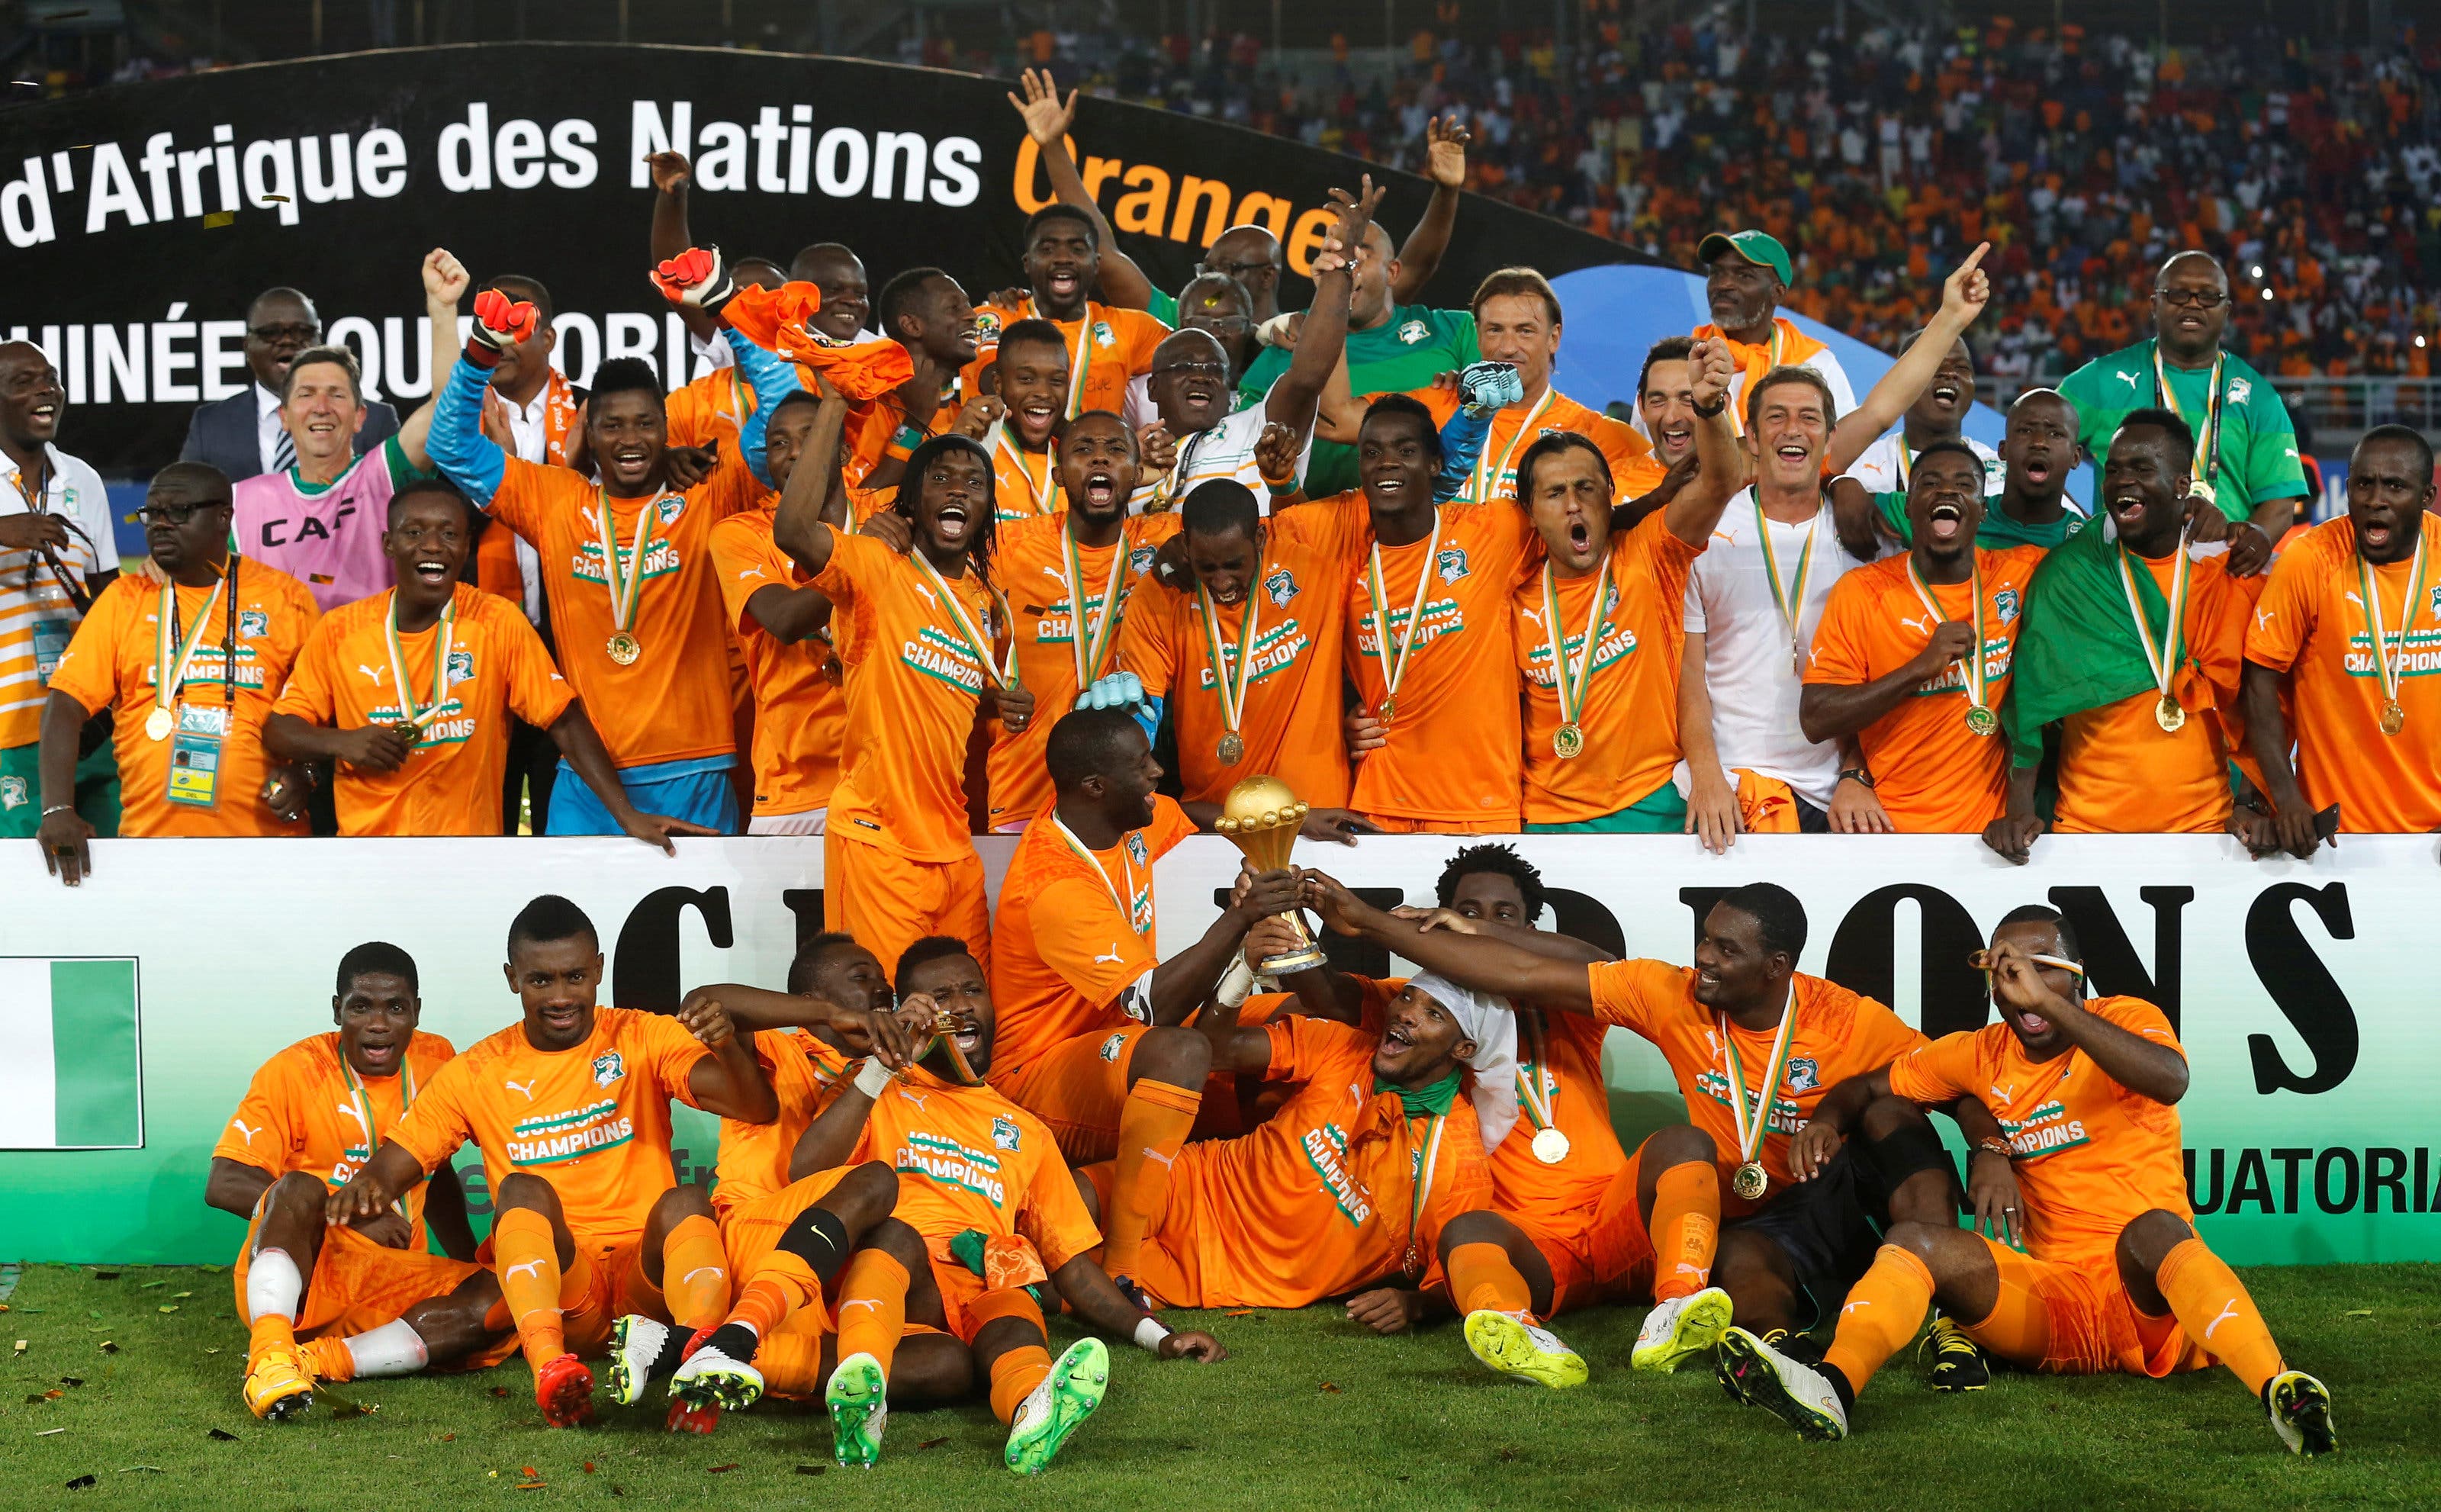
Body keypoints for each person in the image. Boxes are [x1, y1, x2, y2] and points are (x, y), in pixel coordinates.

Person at [1720, 909, 2335, 1457]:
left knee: (2154, 1228)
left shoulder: (2125, 1018)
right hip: (2056, 1305)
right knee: (1913, 1241)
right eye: (2007, 975)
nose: (2022, 990)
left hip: (2151, 1295)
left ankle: (2280, 1388)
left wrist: (2053, 1002)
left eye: (2040, 970)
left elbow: (2170, 1079)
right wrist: (1830, 1123)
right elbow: (1869, 1088)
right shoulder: (1980, 1052)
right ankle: (1832, 1387)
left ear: (2077, 975)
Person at [1305, 876, 1995, 1363]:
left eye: (1727, 950)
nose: (1704, 958)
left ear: (1775, 968)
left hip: (1832, 1187)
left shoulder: (1846, 1018)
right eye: (1706, 940)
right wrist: (1369, 923)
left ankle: (1947, 1320)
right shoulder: (1673, 994)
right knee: (1745, 1278)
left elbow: (1957, 1074)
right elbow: (1517, 971)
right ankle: (1781, 1357)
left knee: (1896, 1115)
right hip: (1755, 1219)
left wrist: (1989, 1147)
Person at [719, 938, 1224, 1472]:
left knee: (994, 1323)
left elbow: (1072, 1267)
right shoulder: (871, 1083)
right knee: (899, 1237)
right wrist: (884, 1066)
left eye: (972, 990)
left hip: (967, 1293)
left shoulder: (1026, 1131)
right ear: (912, 1013)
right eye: (941, 995)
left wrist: (1156, 1336)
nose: (961, 1004)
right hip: (891, 1280)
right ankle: (745, 1347)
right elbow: (810, 1172)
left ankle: (1033, 1409)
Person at [325, 894, 778, 1427]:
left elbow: (757, 1108)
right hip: (565, 1289)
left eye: (575, 978)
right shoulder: (477, 1071)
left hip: (648, 1282)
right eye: (541, 981)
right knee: (521, 1190)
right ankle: (552, 1370)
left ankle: (697, 1369)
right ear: (513, 977)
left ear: (599, 971)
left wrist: (728, 1049)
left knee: (685, 1201)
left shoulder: (641, 1035)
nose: (561, 996)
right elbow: (399, 1160)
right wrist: (369, 1184)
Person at [1337, 848, 1736, 1384]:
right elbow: (1338, 1001)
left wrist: (1475, 933)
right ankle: (1518, 1331)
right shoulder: (1423, 1007)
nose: (1482, 923)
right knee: (1467, 1230)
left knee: (1683, 1143)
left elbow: (1599, 960)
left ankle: (1677, 1306)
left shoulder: (1568, 1003)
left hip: (1613, 1218)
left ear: (1527, 928)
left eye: (1504, 915)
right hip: (1532, 1250)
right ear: (1436, 921)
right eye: (1467, 910)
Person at [425, 252, 774, 835]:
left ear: (668, 429)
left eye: (645, 424)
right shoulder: (556, 499)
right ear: (591, 431)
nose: (630, 439)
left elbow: (778, 422)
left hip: (696, 767)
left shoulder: (707, 495)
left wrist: (726, 311)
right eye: (612, 425)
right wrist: (481, 351)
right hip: (587, 780)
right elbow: (450, 446)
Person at [1677, 245, 1992, 850]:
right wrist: (1708, 775)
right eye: (1774, 418)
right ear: (1751, 434)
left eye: (1808, 418)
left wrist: (1950, 318)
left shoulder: (1861, 536)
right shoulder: (1711, 531)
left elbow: (1881, 406)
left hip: (1835, 790)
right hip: (1733, 790)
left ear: (1830, 440)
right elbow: (1689, 673)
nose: (1792, 429)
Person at [989, 706, 1304, 1288]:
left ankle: (1274, 1211)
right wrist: (1239, 918)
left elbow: (1191, 814)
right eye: (1143, 766)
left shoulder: (1127, 817)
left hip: (1113, 1045)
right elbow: (1153, 1006)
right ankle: (1125, 1269)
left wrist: (1275, 839)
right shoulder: (1053, 884)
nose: (1159, 773)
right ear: (1095, 786)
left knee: (1292, 1020)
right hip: (1036, 1074)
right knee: (1179, 1051)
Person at [263, 478, 703, 845]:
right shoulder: (341, 630)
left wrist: (628, 816)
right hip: (368, 855)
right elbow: (280, 729)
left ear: (467, 546)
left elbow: (563, 720)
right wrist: (341, 743)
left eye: (449, 534)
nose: (432, 546)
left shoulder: (496, 621)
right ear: (388, 544)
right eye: (414, 533)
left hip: (471, 857)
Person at [771, 378, 1031, 971]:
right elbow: (792, 532)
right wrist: (834, 405)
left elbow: (943, 692)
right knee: (887, 1017)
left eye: (974, 482)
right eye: (939, 479)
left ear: (989, 506)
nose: (958, 489)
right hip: (877, 837)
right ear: (911, 502)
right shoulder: (874, 567)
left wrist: (996, 705)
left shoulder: (987, 602)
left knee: (963, 1012)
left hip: (953, 847)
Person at [204, 941, 504, 1420]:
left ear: (417, 1013)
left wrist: (467, 1262)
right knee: (299, 1187)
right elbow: (224, 1181)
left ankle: (322, 1362)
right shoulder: (295, 1071)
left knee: (505, 1293)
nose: (379, 1024)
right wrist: (341, 1220)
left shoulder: (439, 1061)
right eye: (361, 1006)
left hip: (389, 1279)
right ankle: (270, 1353)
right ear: (337, 1011)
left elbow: (440, 1171)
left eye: (396, 1008)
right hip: (303, 1277)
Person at [1003, 67, 1465, 333]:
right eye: (1208, 268)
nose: (1213, 279)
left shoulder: (1310, 329)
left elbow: (1412, 268)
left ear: (1268, 275)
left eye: (1229, 269)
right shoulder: (1178, 318)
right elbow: (1102, 253)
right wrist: (1053, 148)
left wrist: (1446, 193)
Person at [1986, 410, 2255, 861]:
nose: (2123, 481)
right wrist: (2019, 810)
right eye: (2113, 470)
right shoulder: (2069, 573)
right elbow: (2030, 701)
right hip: (2087, 832)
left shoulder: (2222, 569)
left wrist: (2252, 801)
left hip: (2208, 831)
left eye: (2143, 469)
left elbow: (2260, 697)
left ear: (2182, 485)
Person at [37, 463, 320, 881]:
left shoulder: (286, 598)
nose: (161, 525)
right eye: (153, 513)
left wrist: (306, 774)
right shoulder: (124, 600)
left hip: (270, 849)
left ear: (224, 516)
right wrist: (58, 808)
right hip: (151, 852)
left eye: (180, 511)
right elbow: (64, 706)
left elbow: (327, 713)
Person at [1513, 333, 1739, 833]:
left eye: (1587, 489)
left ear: (1610, 498)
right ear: (1530, 513)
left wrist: (1710, 407)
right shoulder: (1512, 598)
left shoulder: (1650, 556)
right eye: (1555, 493)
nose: (1574, 505)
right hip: (1547, 820)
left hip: (1653, 805)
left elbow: (1721, 481)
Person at [1800, 442, 2047, 833]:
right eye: (1930, 483)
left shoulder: (2021, 572)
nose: (1948, 492)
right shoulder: (1863, 591)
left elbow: (2105, 545)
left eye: (1965, 485)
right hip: (1887, 829)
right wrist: (1919, 669)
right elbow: (1815, 718)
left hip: (1990, 834)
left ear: (1982, 511)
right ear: (1909, 506)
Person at [1111, 478, 1375, 835]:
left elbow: (1403, 486)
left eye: (1235, 565)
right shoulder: (1160, 596)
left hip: (1323, 821)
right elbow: (1142, 716)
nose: (1222, 581)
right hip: (1216, 831)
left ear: (1261, 539)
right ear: (1185, 547)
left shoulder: (1314, 558)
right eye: (1207, 568)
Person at [1336, 393, 1539, 833]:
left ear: (1434, 464)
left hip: (1478, 804)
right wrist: (1344, 714)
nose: (1387, 462)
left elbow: (1587, 531)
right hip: (1377, 804)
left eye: (1406, 451)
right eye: (1372, 453)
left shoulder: (1494, 530)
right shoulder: (1344, 555)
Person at [2241, 426, 2441, 848]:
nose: (2375, 500)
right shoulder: (2311, 559)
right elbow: (2260, 677)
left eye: (2395, 486)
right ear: (2347, 488)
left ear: (2427, 498)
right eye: (2363, 484)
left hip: (2433, 836)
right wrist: (2283, 795)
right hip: (2336, 841)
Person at [2058, 252, 2308, 577]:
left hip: (2221, 579)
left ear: (2227, 310)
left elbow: (2280, 502)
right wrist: (2080, 529)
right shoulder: (2100, 381)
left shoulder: (2259, 397)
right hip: (2120, 579)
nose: (2193, 304)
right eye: (2177, 294)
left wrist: (2253, 540)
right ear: (2154, 305)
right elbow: (2037, 448)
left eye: (2208, 296)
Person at [1335, 269, 1664, 508]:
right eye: (1495, 330)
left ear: (1554, 337)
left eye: (1525, 331)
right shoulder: (1436, 405)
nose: (1508, 347)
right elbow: (1334, 418)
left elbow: (1678, 472)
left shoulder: (1596, 435)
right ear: (1477, 335)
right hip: (1434, 594)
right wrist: (1329, 296)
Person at [984, 412, 1171, 830]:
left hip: (1123, 800)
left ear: (1139, 474)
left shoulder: (1165, 542)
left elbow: (1255, 537)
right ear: (1059, 475)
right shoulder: (1007, 547)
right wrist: (990, 698)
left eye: (1116, 450)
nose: (1099, 460)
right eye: (1083, 450)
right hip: (1023, 791)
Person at [1131, 181, 1365, 510]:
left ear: (1230, 386)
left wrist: (1339, 271)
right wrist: (1126, 471)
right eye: (1185, 367)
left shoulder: (1256, 430)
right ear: (1152, 388)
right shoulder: (1131, 470)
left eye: (1214, 369)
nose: (1201, 376)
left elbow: (1307, 378)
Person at [230, 297, 444, 614]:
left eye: (336, 394)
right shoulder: (243, 502)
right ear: (284, 417)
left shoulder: (384, 474)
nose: (321, 407)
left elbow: (446, 409)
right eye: (306, 394)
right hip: (282, 662)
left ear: (360, 416)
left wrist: (442, 309)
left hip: (371, 659)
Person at [709, 384, 849, 836]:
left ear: (843, 451)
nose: (793, 454)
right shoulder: (739, 535)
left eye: (810, 438)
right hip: (792, 790)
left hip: (883, 780)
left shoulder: (882, 515)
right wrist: (868, 563)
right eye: (779, 444)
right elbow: (786, 621)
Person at [0, 339, 120, 841]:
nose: (45, 390)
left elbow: (108, 596)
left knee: (114, 864)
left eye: (50, 378)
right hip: (10, 727)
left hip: (87, 719)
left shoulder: (83, 480)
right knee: (25, 881)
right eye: (23, 383)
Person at [966, 204, 1170, 423]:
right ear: (1027, 263)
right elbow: (994, 382)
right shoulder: (997, 317)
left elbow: (1196, 354)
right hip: (1006, 457)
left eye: (1078, 249)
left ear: (1096, 264)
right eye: (1047, 249)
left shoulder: (1132, 328)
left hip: (1097, 456)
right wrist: (1071, 438)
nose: (1063, 258)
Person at [180, 285, 399, 482]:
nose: (287, 341)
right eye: (271, 333)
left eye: (302, 332)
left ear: (318, 341)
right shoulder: (209, 425)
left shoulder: (377, 420)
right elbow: (186, 504)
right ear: (247, 346)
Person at [1837, 388, 2090, 559]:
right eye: (2025, 431)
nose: (2039, 443)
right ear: (2002, 450)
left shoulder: (2086, 544)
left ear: (2076, 456)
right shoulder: (1960, 512)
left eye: (2055, 434)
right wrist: (1841, 483)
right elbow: (1853, 500)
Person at [1689, 230, 1857, 432]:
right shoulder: (1685, 359)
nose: (1723, 284)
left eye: (1744, 276)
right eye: (1716, 273)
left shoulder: (1816, 365)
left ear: (1777, 293)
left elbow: (1843, 449)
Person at [1829, 327, 1998, 512]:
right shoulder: (1858, 468)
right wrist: (1838, 484)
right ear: (1904, 380)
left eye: (1962, 367)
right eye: (1935, 365)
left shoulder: (1999, 473)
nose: (1950, 373)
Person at [853, 266, 985, 492]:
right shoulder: (861, 410)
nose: (972, 315)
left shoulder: (973, 418)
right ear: (912, 325)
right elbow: (853, 514)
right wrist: (916, 422)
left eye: (968, 305)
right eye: (954, 308)